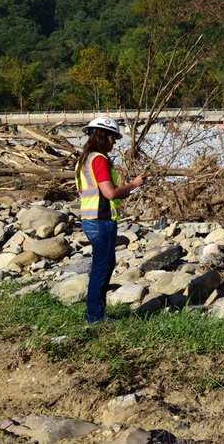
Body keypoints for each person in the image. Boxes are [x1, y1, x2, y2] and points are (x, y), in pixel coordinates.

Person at [74, 117, 145, 325]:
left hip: (92, 220)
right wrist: (133, 184)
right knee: (102, 267)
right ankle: (95, 317)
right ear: (102, 136)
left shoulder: (84, 159)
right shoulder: (99, 159)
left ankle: (96, 313)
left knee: (104, 265)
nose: (114, 142)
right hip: (101, 221)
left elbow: (101, 193)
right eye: (112, 137)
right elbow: (110, 193)